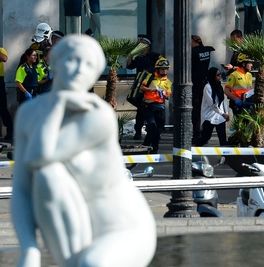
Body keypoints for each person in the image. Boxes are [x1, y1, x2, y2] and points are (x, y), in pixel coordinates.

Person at [12, 34, 156, 267]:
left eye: (89, 65)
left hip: (122, 226)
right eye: (72, 59)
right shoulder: (28, 113)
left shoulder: (97, 114)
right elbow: (21, 187)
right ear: (54, 62)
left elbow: (40, 155)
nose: (80, 70)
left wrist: (58, 102)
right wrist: (29, 249)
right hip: (77, 229)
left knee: (92, 263)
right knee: (48, 175)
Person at [126, 35, 162, 140]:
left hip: (151, 86)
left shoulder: (153, 55)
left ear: (147, 46)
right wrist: (131, 55)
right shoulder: (139, 58)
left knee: (151, 109)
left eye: (142, 44)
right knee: (141, 109)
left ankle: (154, 130)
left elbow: (163, 63)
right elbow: (129, 65)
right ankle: (138, 131)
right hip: (140, 86)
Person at [139, 57, 172, 154]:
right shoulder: (150, 77)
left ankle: (154, 149)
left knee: (158, 131)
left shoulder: (168, 82)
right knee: (152, 127)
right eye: (162, 69)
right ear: (157, 69)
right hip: (148, 106)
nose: (164, 71)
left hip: (160, 108)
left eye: (166, 69)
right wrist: (151, 89)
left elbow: (168, 96)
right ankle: (145, 146)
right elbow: (141, 87)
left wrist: (165, 94)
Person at [191, 35, 215, 145]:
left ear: (194, 42)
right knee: (206, 108)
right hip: (205, 83)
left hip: (196, 84)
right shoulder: (207, 50)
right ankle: (205, 134)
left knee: (196, 110)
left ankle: (197, 134)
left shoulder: (193, 53)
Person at [197, 67, 229, 146]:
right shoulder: (207, 87)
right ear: (212, 76)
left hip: (220, 116)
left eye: (220, 74)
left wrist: (226, 113)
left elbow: (223, 101)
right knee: (206, 137)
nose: (220, 76)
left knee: (223, 138)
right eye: (218, 75)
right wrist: (222, 113)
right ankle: (195, 149)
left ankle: (224, 153)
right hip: (209, 116)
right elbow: (211, 104)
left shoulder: (219, 86)